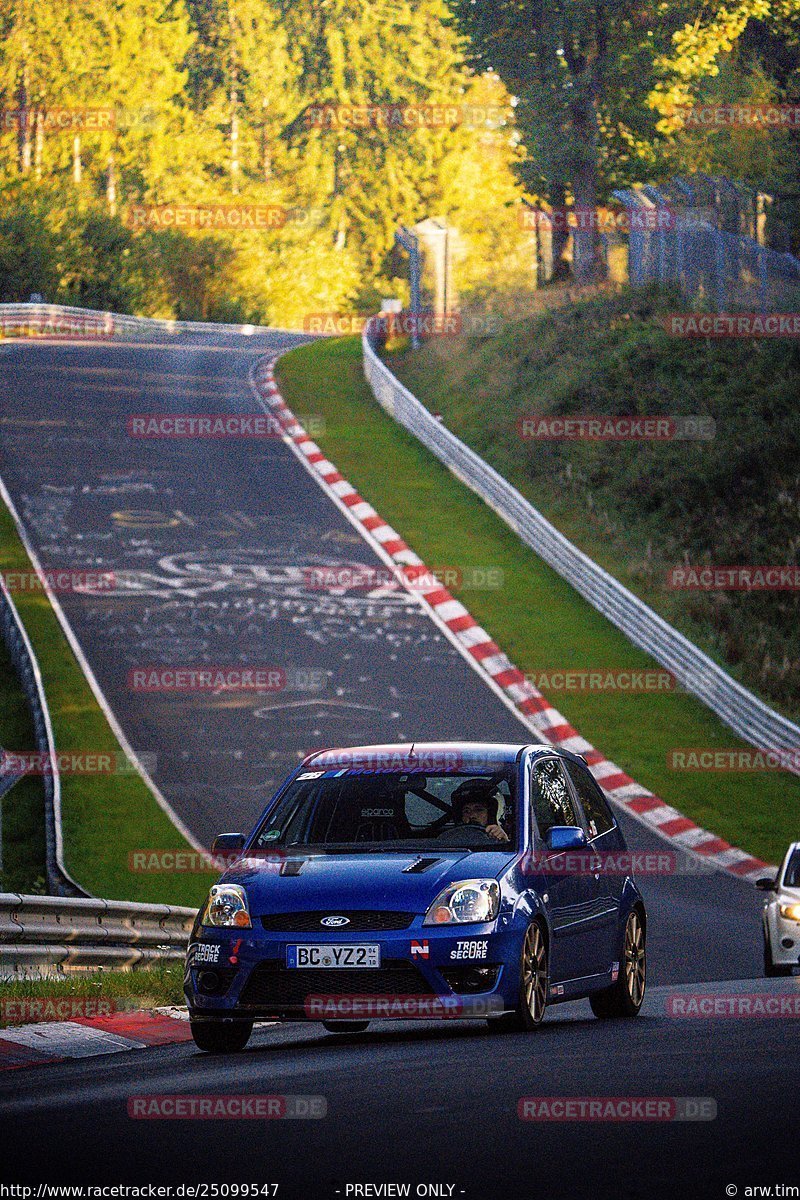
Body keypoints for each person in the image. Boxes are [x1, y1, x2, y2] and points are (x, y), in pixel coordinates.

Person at [451, 778, 509, 843]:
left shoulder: (516, 847)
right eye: (466, 811)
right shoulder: (451, 839)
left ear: (492, 813)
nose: (472, 815)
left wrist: (503, 841)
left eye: (478, 810)